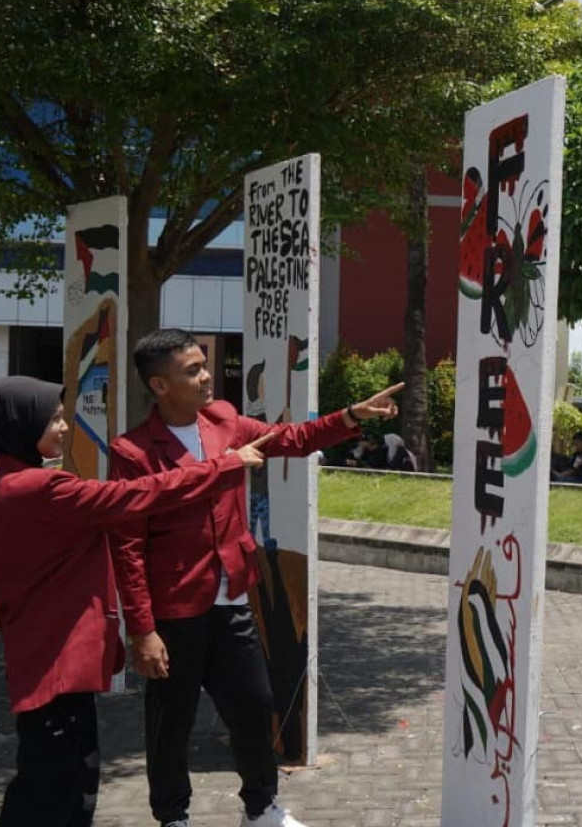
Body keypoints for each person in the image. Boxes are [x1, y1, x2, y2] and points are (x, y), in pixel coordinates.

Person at [106, 329, 402, 827]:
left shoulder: (222, 420)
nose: (206, 377)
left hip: (230, 599)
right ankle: (172, 817)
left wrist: (351, 416)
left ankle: (261, 809)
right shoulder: (133, 451)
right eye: (193, 370)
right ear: (159, 386)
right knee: (170, 724)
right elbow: (127, 547)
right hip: (174, 609)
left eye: (205, 365)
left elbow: (292, 439)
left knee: (254, 705)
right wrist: (142, 629)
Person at [0, 375, 274, 827]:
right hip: (52, 663)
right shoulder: (37, 489)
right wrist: (223, 467)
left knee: (66, 782)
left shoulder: (17, 482)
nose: (63, 427)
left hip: (48, 660)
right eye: (52, 418)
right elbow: (136, 495)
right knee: (52, 788)